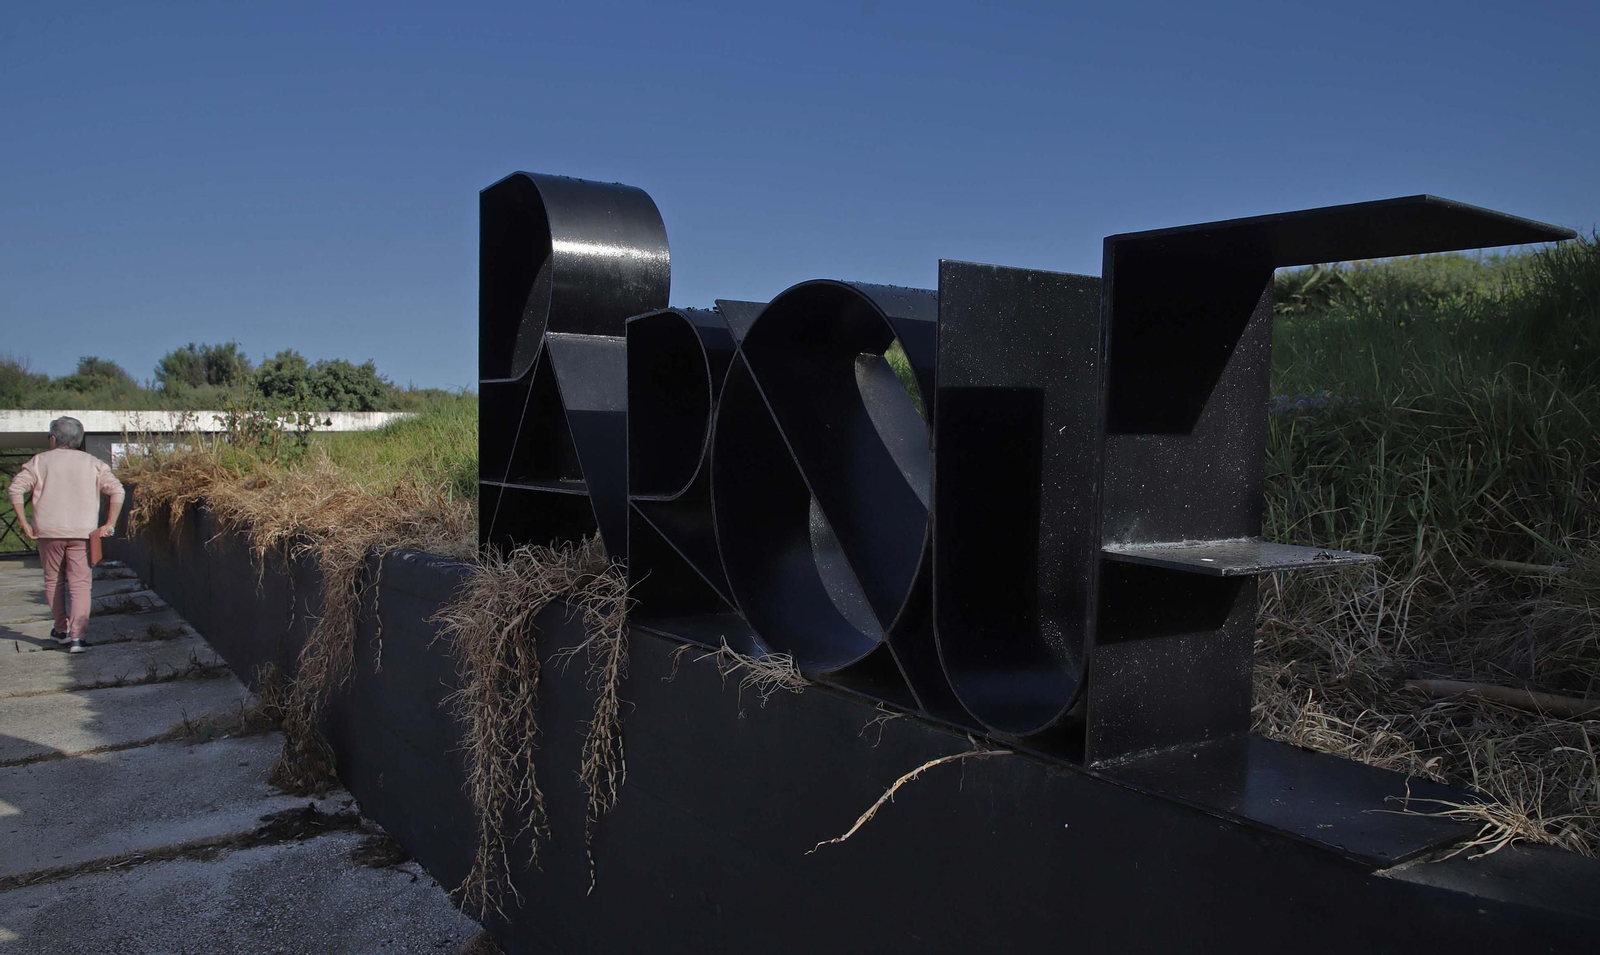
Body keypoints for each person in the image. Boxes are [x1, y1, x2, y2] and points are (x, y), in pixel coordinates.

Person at [8, 416, 125, 653]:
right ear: (80, 440)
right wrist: (108, 524)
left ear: (53, 438)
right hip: (83, 532)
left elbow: (15, 489)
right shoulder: (93, 463)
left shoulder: (40, 461)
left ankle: (61, 630)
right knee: (81, 584)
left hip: (48, 532)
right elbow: (117, 491)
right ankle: (78, 639)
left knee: (54, 581)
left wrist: (24, 523)